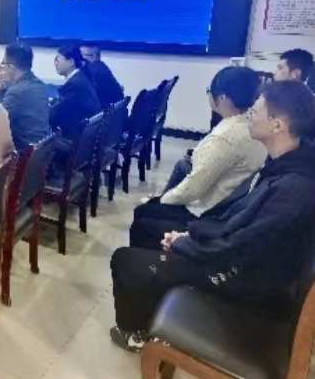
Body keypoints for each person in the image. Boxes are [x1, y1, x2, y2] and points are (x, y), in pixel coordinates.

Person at [109, 80, 315, 353]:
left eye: (255, 111)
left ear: (277, 125)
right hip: (247, 264)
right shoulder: (290, 162)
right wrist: (190, 236)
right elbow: (240, 222)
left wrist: (184, 244)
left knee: (124, 260)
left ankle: (137, 334)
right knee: (150, 235)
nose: (249, 115)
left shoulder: (293, 188)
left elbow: (239, 246)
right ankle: (152, 307)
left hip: (250, 285)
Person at [130, 67, 267, 249]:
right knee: (182, 166)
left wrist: (161, 200)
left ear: (223, 98)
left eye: (210, 91)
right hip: (229, 202)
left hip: (208, 211)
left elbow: (194, 188)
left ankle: (152, 261)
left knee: (143, 212)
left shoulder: (226, 136)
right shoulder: (252, 124)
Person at [0, 43, 51, 150]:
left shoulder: (16, 92)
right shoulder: (39, 85)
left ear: (11, 67)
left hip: (24, 152)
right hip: (43, 149)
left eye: (3, 64)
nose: (2, 69)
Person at [49, 45, 102, 141]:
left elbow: (56, 115)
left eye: (58, 59)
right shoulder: (81, 78)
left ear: (71, 62)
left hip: (75, 139)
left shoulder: (74, 85)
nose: (55, 63)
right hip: (86, 137)